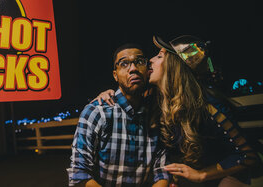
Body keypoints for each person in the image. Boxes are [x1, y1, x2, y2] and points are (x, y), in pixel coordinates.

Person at [94, 35, 262, 186]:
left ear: (174, 66)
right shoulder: (154, 101)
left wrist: (201, 175)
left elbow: (248, 156)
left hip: (229, 176)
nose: (150, 60)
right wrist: (110, 94)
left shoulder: (207, 105)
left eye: (159, 56)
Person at [67, 43, 170, 187]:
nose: (133, 68)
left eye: (139, 62)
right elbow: (79, 173)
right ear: (115, 75)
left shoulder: (154, 114)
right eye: (124, 64)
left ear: (148, 69)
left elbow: (162, 171)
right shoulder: (97, 112)